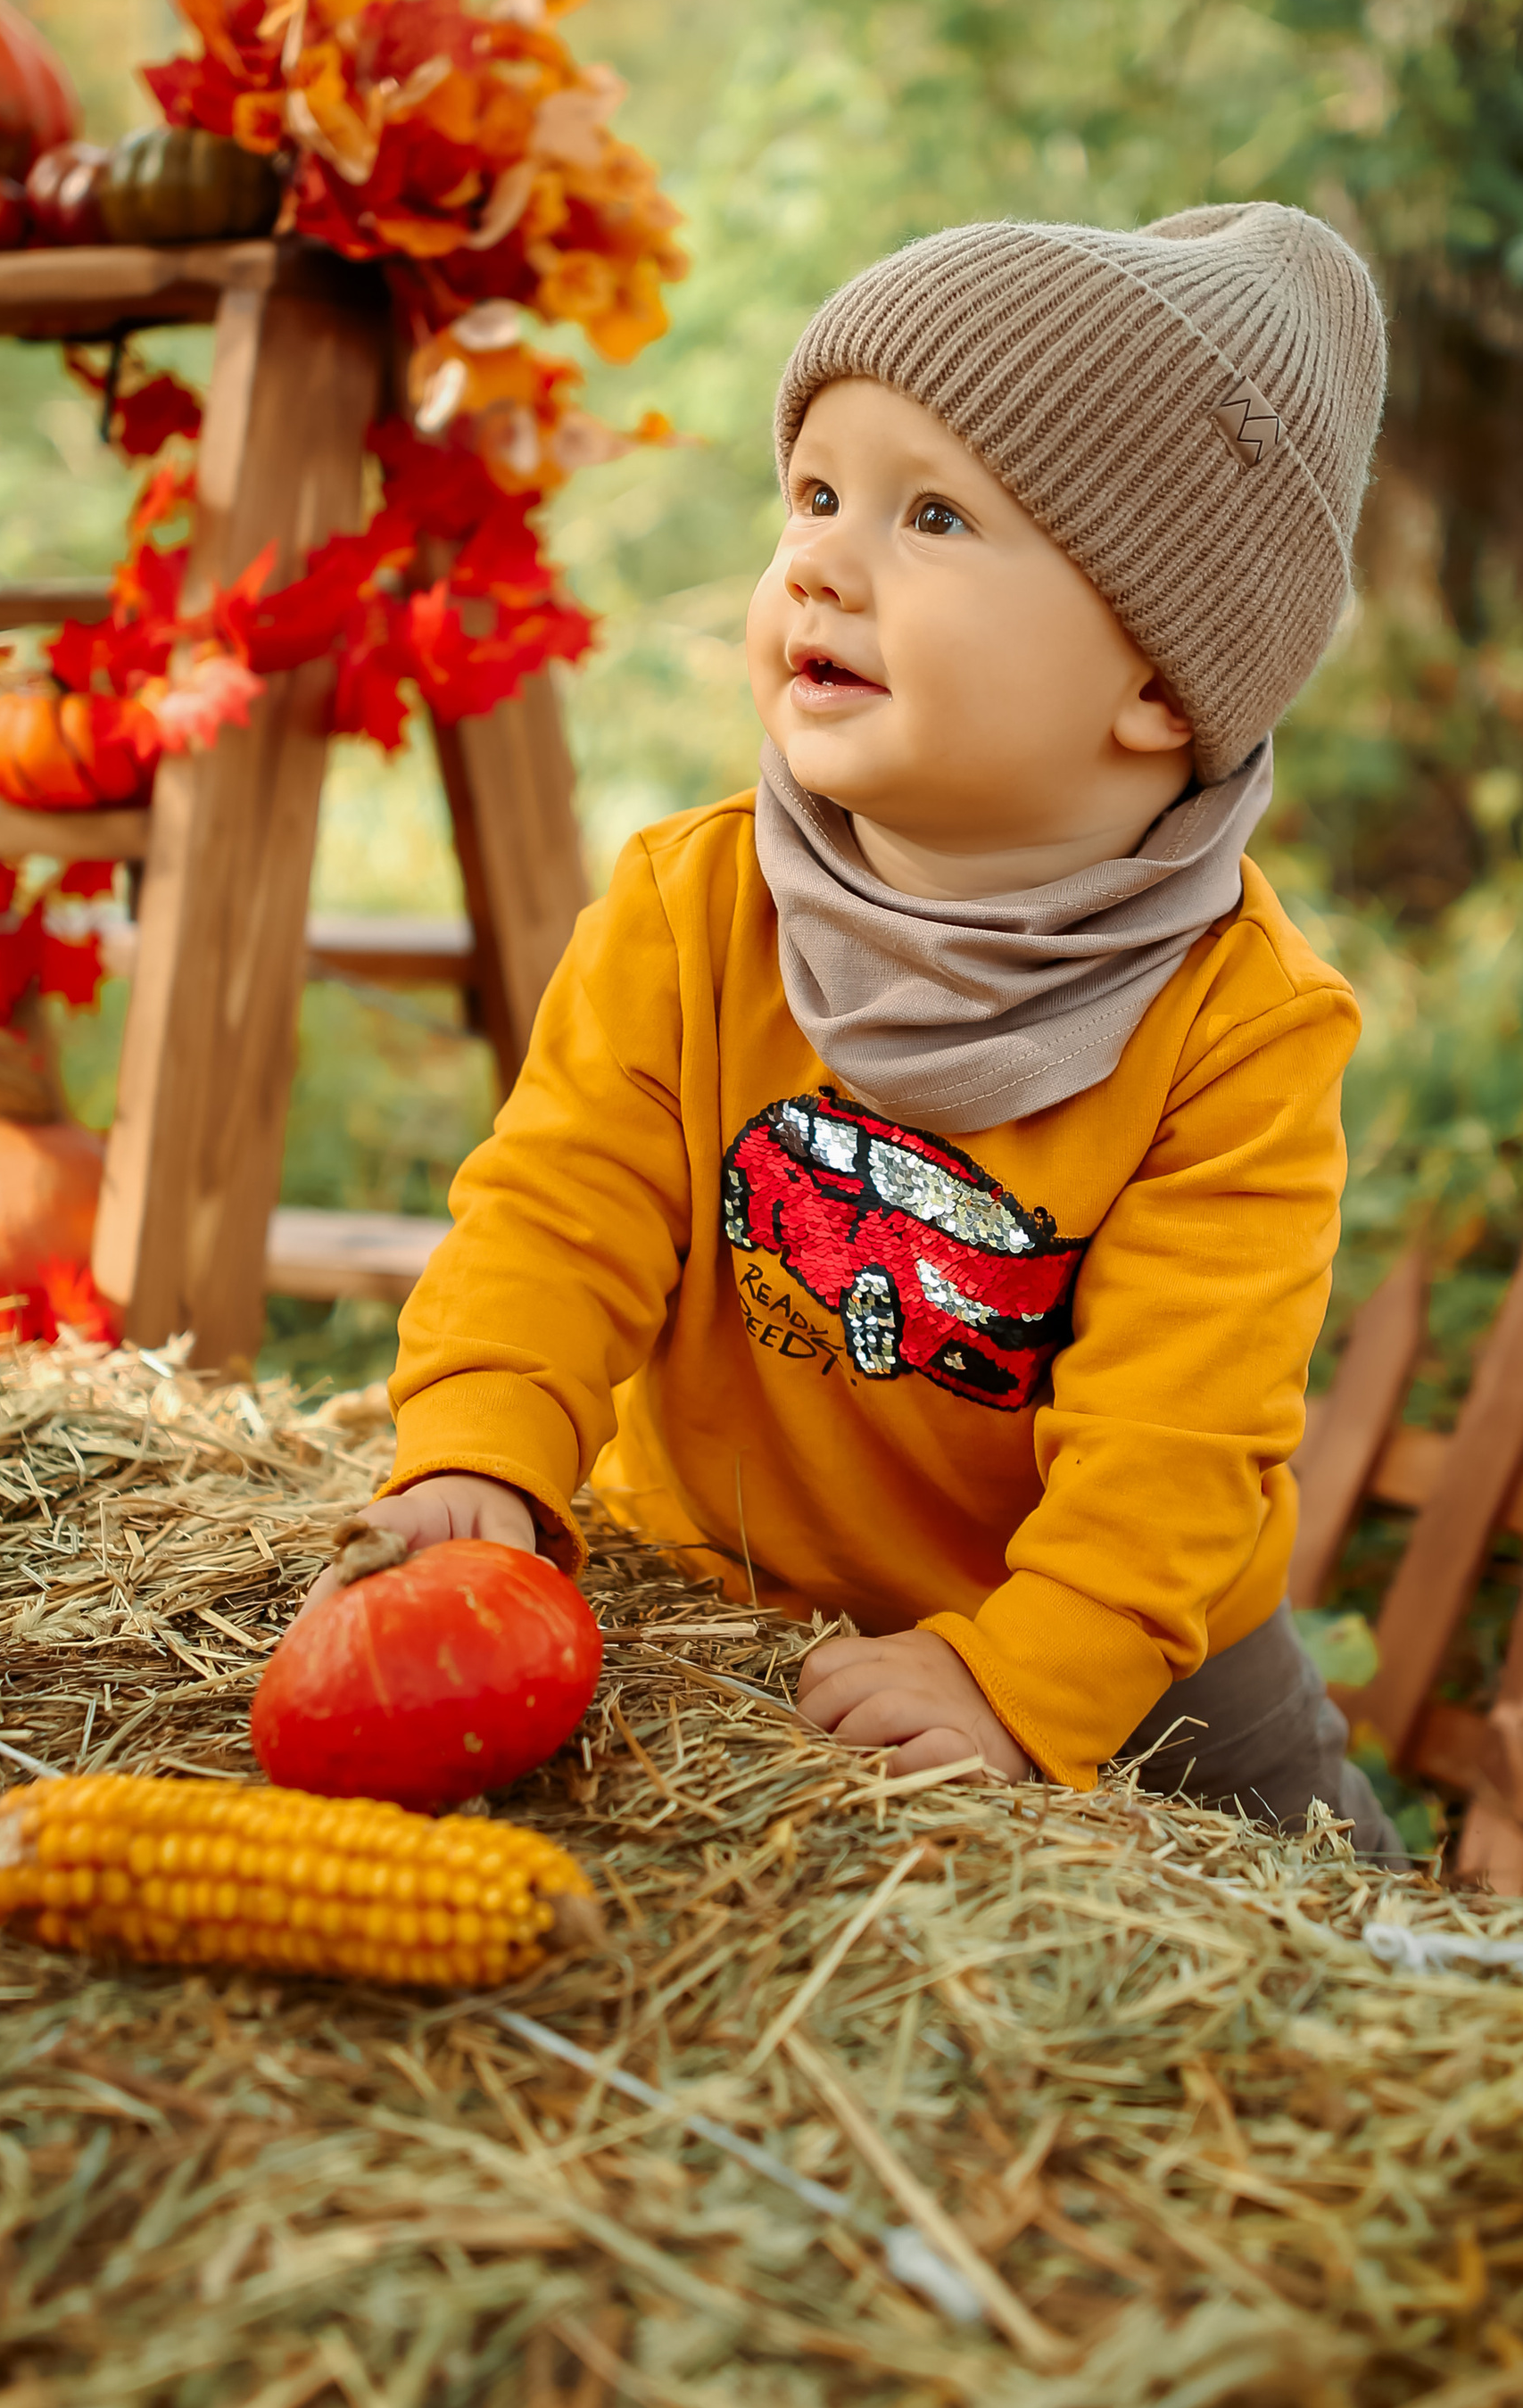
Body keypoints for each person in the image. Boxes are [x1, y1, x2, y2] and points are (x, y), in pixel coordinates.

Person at [297, 203, 1398, 1848]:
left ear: (1160, 682)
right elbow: (558, 1213)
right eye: (815, 495)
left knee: (1346, 1940)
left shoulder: (1235, 1026)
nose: (817, 558)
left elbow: (1178, 1439)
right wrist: (488, 1446)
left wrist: (1022, 1679)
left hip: (1137, 1661)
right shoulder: (695, 907)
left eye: (933, 515)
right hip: (724, 1599)